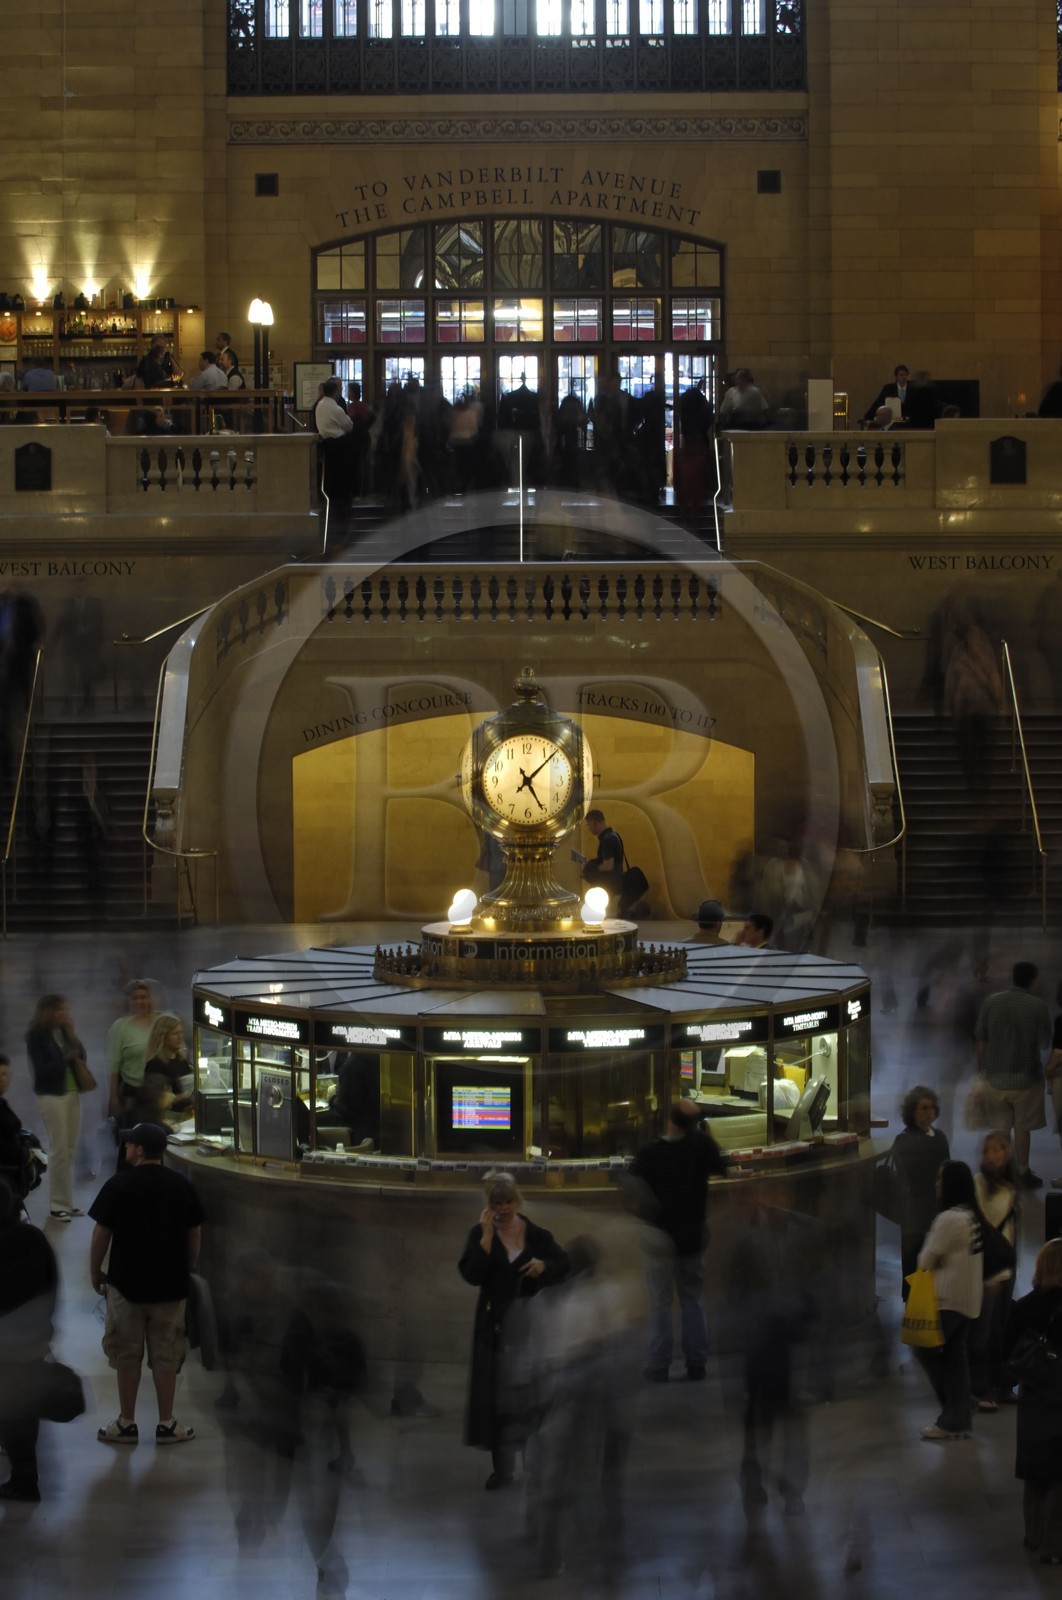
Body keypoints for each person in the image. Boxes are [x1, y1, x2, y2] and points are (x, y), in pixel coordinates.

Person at [89, 1121, 204, 1445]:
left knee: (127, 1354)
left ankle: (126, 1422)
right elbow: (194, 1230)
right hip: (171, 1285)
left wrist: (96, 1270)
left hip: (127, 1284)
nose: (125, 1149)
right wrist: (189, 1266)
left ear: (139, 1149)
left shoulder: (120, 1185)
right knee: (166, 1354)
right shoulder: (181, 1185)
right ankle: (166, 1423)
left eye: (129, 1144)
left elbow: (101, 1233)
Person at [457, 1171, 568, 1489]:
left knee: (531, 1395)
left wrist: (544, 1266)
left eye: (508, 1202)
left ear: (517, 1201)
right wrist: (487, 1240)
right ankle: (501, 1468)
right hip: (494, 1329)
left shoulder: (536, 1235)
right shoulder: (480, 1234)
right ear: (488, 1205)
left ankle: (534, 1460)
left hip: (531, 1326)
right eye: (497, 1203)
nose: (503, 1209)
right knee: (497, 1399)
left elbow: (562, 1262)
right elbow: (472, 1274)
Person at [627, 1100, 728, 1382]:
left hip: (659, 1238)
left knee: (660, 1304)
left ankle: (659, 1366)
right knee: (693, 1300)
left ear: (669, 1121)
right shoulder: (702, 1145)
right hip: (693, 1237)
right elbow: (724, 1167)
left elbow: (632, 1185)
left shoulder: (650, 1153)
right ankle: (696, 1363)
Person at [914, 1159, 983, 1441]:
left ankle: (957, 1411)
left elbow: (925, 1260)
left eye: (941, 1179)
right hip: (969, 1300)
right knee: (956, 1356)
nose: (936, 1184)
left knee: (924, 1349)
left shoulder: (949, 1219)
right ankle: (960, 1412)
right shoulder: (971, 1215)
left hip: (948, 1300)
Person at [0, 1183, 59, 1500]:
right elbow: (51, 1282)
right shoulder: (33, 1238)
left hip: (4, 1345)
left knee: (10, 1411)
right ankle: (26, 1474)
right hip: (33, 1341)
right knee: (23, 1408)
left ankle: (23, 1479)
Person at [974, 961, 1051, 1189]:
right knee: (1022, 1127)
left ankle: (1000, 1170)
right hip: (1026, 1079)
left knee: (1000, 1127)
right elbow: (1044, 1041)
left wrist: (981, 1070)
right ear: (1033, 980)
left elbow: (980, 1037)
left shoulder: (992, 1001)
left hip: (995, 1077)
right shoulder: (1038, 1006)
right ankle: (1023, 1171)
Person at [1007, 1239, 1062, 1564]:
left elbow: (1007, 1355)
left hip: (1033, 1395)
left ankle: (1032, 1534)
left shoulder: (1024, 1306)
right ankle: (1054, 1546)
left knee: (1035, 1469)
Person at [26, 993, 89, 1221]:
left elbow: (82, 1056)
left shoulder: (63, 1032)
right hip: (52, 1095)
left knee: (70, 1148)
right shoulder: (36, 1035)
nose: (65, 1013)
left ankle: (67, 1202)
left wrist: (73, 1036)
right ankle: (56, 1205)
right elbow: (41, 1069)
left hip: (71, 1093)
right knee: (59, 1149)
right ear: (49, 1011)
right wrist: (64, 1058)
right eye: (60, 1009)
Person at [970, 1130, 1018, 1411]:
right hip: (987, 1273)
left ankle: (1002, 1386)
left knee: (1002, 1330)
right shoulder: (978, 1187)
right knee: (982, 1333)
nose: (994, 1154)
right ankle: (981, 1388)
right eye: (989, 1150)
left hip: (1006, 1271)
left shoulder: (1011, 1188)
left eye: (1000, 1149)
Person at [891, 1084, 950, 1296]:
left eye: (932, 1107)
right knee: (913, 1258)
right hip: (914, 1210)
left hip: (934, 1206)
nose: (929, 1112)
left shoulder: (940, 1136)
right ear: (912, 1111)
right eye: (923, 1108)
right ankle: (913, 1301)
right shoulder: (904, 1140)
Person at [106, 979, 159, 1128]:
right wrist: (113, 1098)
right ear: (128, 1002)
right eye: (135, 998)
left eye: (143, 997)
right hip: (133, 1092)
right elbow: (113, 1065)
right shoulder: (120, 1027)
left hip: (159, 1092)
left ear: (150, 999)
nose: (139, 1002)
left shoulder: (160, 1021)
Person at [315, 377, 355, 506]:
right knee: (341, 472)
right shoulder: (336, 409)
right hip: (338, 443)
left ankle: (329, 496)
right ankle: (341, 499)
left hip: (324, 442)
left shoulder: (319, 406)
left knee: (329, 473)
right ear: (335, 392)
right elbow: (349, 426)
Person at [581, 808, 624, 906]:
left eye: (589, 824)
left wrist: (590, 868)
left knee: (609, 919)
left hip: (609, 890)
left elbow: (608, 865)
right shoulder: (614, 835)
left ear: (595, 823)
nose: (589, 828)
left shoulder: (607, 839)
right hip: (615, 887)